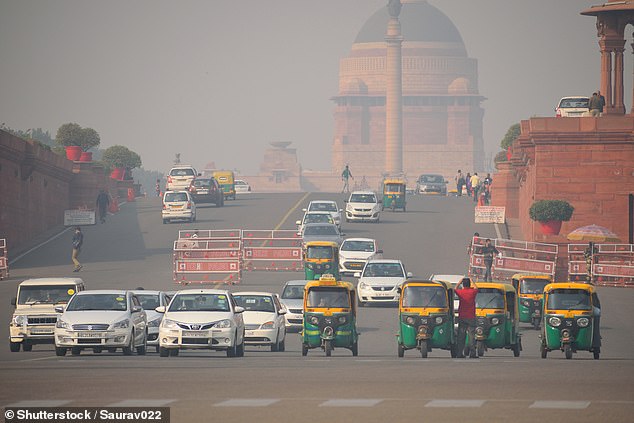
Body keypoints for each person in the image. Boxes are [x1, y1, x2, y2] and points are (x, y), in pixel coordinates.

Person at [455, 277, 478, 358]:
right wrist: (472, 281)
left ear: (463, 285)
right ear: (469, 284)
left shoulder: (461, 292)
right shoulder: (472, 292)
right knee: (472, 336)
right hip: (471, 316)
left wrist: (459, 282)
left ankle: (459, 353)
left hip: (462, 316)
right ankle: (472, 353)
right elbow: (476, 288)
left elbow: (455, 289)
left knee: (461, 336)